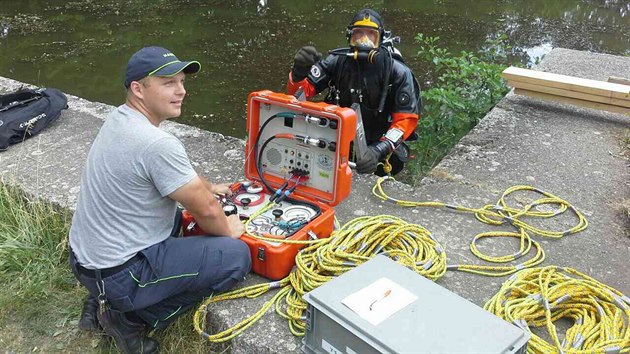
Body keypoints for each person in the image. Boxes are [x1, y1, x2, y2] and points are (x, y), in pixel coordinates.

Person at [68, 46, 251, 354]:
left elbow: (183, 180)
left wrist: (210, 186)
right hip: (119, 275)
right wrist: (229, 231)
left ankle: (97, 302)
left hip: (86, 262)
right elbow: (206, 208)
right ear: (138, 89)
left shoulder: (120, 119)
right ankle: (129, 320)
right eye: (168, 83)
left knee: (176, 217)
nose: (181, 91)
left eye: (181, 82)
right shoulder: (156, 143)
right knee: (235, 257)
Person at [287, 8, 421, 176]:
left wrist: (380, 149)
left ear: (380, 38)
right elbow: (299, 94)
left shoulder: (397, 71)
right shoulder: (336, 61)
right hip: (340, 140)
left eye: (371, 34)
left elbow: (406, 121)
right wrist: (299, 72)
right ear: (349, 36)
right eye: (358, 33)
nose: (364, 40)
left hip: (381, 145)